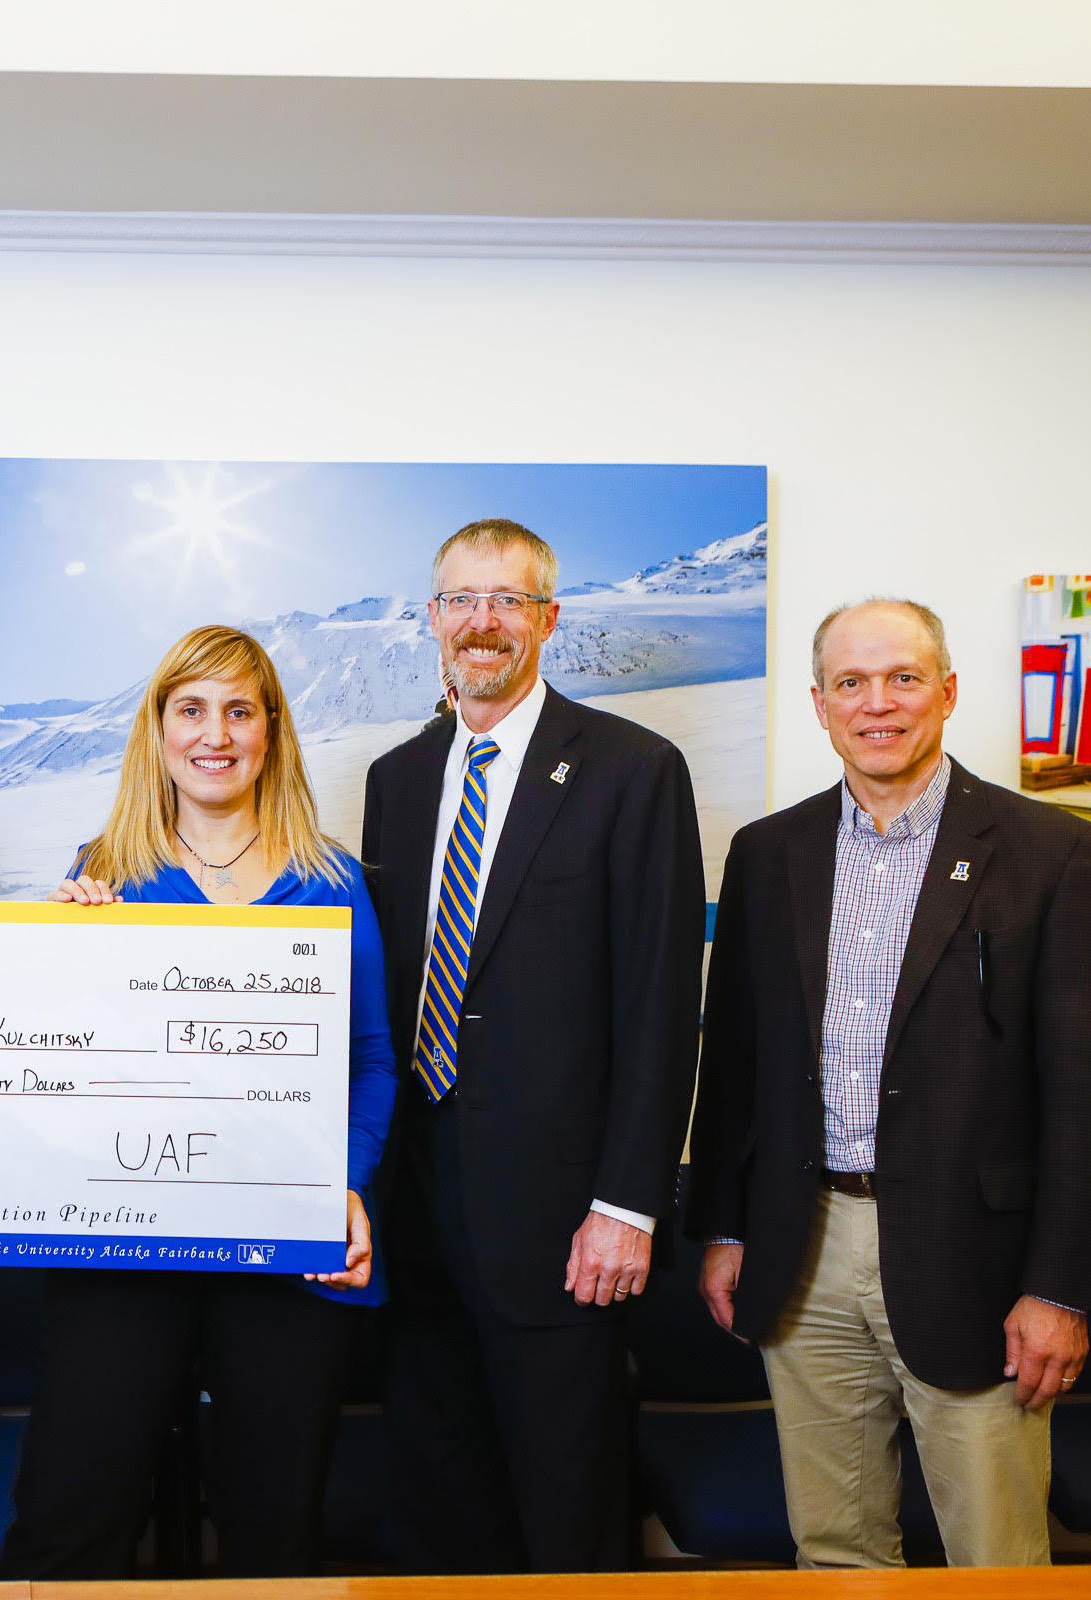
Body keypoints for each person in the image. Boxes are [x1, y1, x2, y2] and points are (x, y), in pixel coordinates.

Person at [687, 598, 1091, 1568]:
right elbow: (733, 1064)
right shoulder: (769, 855)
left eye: (902, 677)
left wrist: (1060, 1288)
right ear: (820, 703)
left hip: (976, 1259)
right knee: (835, 1545)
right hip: (801, 1248)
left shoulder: (1057, 855)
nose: (878, 703)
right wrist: (727, 1227)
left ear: (947, 691)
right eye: (851, 682)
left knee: (994, 1557)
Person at [0, 624, 396, 1580]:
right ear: (158, 730)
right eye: (191, 709)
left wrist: (343, 1184)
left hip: (283, 1240)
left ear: (270, 733)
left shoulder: (332, 878)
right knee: (71, 1519)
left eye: (238, 710)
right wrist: (51, 962)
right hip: (123, 1242)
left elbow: (374, 1058)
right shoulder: (104, 870)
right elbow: (51, 1062)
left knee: (275, 1528)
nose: (214, 734)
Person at [363, 518, 705, 1573]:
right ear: (432, 621)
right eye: (463, 600)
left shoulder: (631, 770)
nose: (484, 623)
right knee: (437, 1499)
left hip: (567, 1226)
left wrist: (627, 1204)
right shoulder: (398, 779)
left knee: (567, 1507)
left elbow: (659, 1001)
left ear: (548, 620)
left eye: (509, 601)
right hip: (419, 1213)